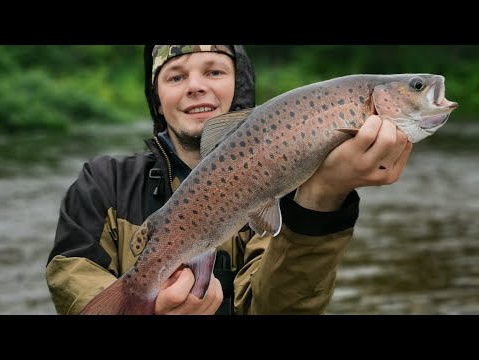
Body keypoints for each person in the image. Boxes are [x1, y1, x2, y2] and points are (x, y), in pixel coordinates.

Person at [46, 45, 412, 315]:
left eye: (215, 72)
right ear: (156, 100)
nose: (196, 86)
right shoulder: (102, 182)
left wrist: (324, 196)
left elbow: (280, 309)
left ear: (239, 88)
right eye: (176, 76)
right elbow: (71, 275)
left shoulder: (288, 191)